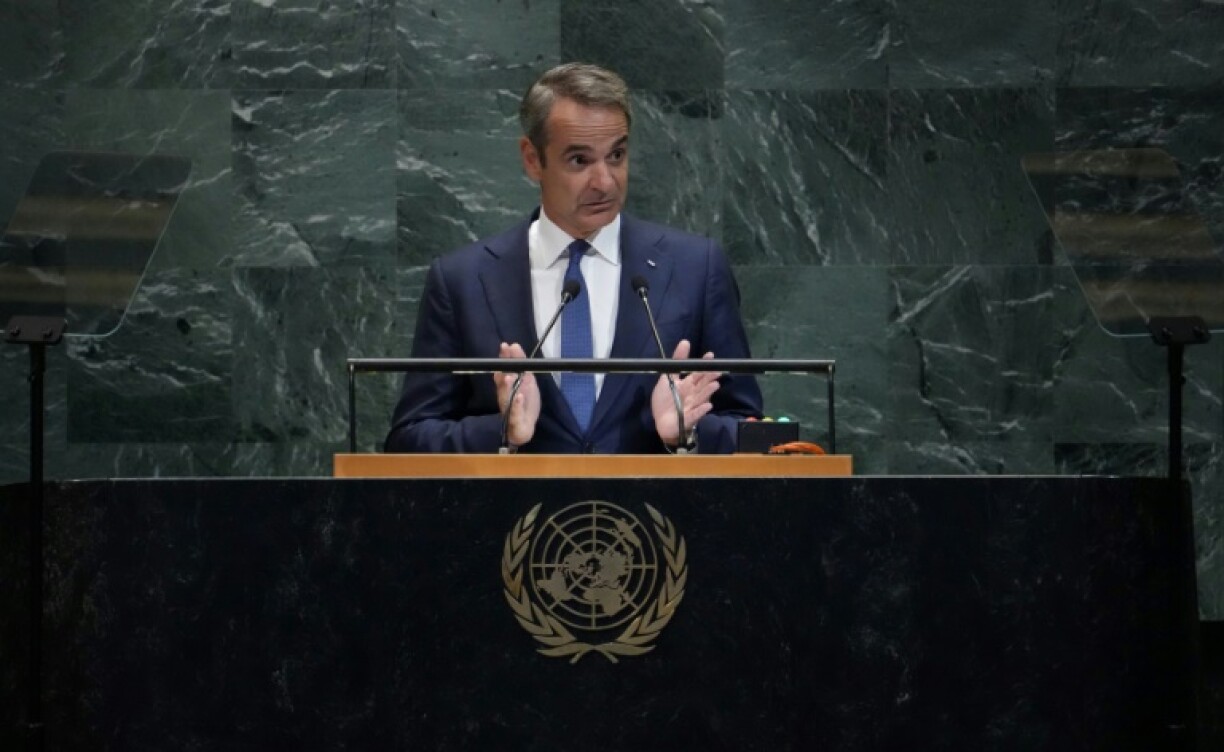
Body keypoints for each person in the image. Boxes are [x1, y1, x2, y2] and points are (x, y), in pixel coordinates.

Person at [384, 63, 762, 454]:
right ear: (532, 159)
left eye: (616, 155)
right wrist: (502, 432)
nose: (605, 181)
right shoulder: (462, 280)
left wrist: (685, 434)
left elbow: (750, 429)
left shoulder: (695, 268)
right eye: (580, 161)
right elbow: (408, 441)